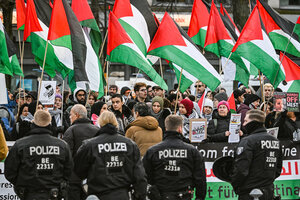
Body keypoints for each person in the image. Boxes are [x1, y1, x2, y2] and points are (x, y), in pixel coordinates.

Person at [74, 111, 147, 200]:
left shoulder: (89, 145)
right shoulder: (130, 145)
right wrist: (139, 196)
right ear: (116, 124)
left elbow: (78, 170)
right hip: (122, 194)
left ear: (100, 124)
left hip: (98, 194)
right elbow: (140, 176)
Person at [5, 110, 73, 200]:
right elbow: (69, 170)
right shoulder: (62, 145)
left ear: (33, 123)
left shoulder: (20, 145)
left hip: (29, 193)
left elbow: (10, 171)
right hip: (52, 193)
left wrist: (22, 183)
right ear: (49, 123)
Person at [143, 115, 207, 200]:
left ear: (166, 128)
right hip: (183, 195)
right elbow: (200, 179)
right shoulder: (192, 151)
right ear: (180, 129)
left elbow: (144, 177)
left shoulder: (152, 151)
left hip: (161, 194)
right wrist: (199, 198)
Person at [231, 110, 283, 200]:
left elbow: (241, 170)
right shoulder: (276, 141)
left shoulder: (247, 141)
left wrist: (236, 185)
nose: (243, 124)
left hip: (249, 193)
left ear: (254, 123)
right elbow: (278, 170)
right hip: (268, 192)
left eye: (246, 121)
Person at [63, 104, 99, 200]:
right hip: (93, 177)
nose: (70, 117)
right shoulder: (97, 130)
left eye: (71, 115)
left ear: (77, 115)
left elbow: (67, 155)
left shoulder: (70, 130)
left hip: (74, 178)